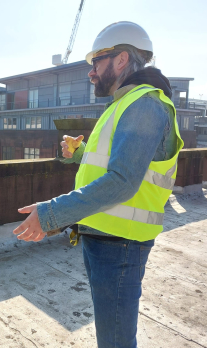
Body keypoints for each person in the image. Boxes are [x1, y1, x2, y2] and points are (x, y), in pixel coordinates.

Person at [13, 21, 183, 348]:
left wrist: (52, 214)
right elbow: (118, 164)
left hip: (120, 243)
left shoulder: (145, 104)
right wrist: (77, 155)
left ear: (120, 60)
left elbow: (122, 181)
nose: (91, 72)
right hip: (105, 237)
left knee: (115, 341)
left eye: (96, 62)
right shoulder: (125, 103)